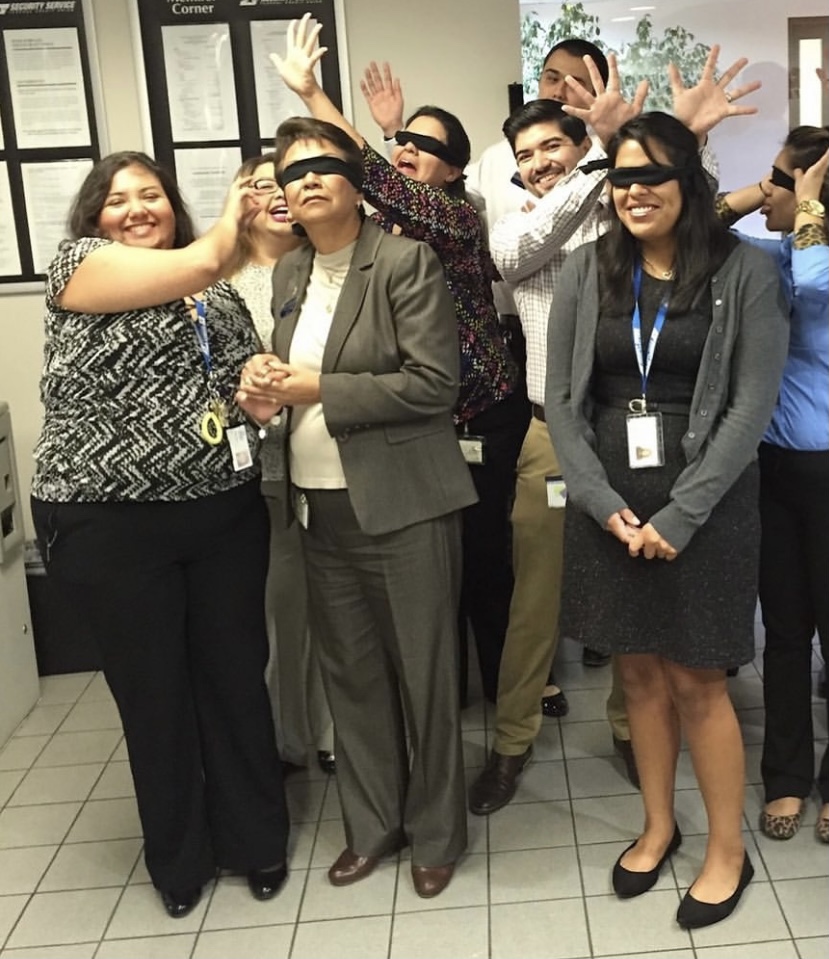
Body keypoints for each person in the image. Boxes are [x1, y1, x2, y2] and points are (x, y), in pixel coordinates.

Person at [29, 151, 290, 917]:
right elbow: (207, 257)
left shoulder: (216, 294)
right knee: (155, 697)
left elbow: (239, 391)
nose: (137, 208)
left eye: (151, 195)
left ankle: (256, 840)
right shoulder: (79, 265)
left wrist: (257, 399)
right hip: (110, 520)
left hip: (221, 514)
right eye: (118, 199)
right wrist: (238, 209)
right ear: (94, 217)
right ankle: (179, 858)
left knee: (235, 680)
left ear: (172, 206)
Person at [545, 112, 789, 929]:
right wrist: (598, 500)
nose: (635, 191)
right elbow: (561, 401)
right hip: (607, 505)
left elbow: (750, 406)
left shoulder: (743, 270)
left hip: (707, 505)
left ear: (688, 181)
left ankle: (726, 849)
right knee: (638, 675)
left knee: (696, 680)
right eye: (621, 177)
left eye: (651, 175)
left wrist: (681, 514)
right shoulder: (586, 269)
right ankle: (656, 825)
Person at [236, 116, 477, 899]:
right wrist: (264, 390)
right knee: (351, 677)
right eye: (290, 170)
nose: (304, 179)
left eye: (321, 165)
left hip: (405, 507)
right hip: (316, 508)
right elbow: (288, 380)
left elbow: (433, 384)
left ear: (355, 179)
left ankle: (436, 833)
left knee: (425, 678)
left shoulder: (403, 261)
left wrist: (316, 388)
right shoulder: (288, 272)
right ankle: (373, 825)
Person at [273, 14, 529, 706]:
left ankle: (507, 703)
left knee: (484, 562)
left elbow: (386, 185)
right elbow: (378, 190)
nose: (408, 149)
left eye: (426, 145)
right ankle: (445, 696)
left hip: (478, 412)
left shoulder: (459, 217)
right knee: (431, 581)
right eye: (402, 140)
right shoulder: (374, 230)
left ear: (456, 167)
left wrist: (314, 97)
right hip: (411, 422)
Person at [466, 37, 615, 677]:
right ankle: (515, 726)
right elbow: (530, 244)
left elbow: (693, 193)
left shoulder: (619, 214)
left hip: (619, 424)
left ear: (582, 145)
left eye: (552, 146)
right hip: (548, 430)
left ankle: (628, 722)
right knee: (534, 590)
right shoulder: (513, 228)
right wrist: (599, 164)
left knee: (627, 584)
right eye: (524, 156)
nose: (537, 164)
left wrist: (616, 151)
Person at [716, 127, 829, 844]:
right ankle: (786, 774)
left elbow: (816, 292)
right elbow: (696, 229)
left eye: (776, 182)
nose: (766, 193)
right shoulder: (773, 255)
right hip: (774, 468)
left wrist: (807, 200)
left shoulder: (809, 260)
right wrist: (767, 188)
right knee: (784, 632)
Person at [226, 152, 335, 776]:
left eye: (283, 183)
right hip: (263, 473)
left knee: (335, 610)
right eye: (258, 185)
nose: (274, 194)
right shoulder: (219, 282)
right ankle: (288, 736)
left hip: (331, 460)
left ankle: (332, 731)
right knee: (279, 613)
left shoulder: (325, 269)